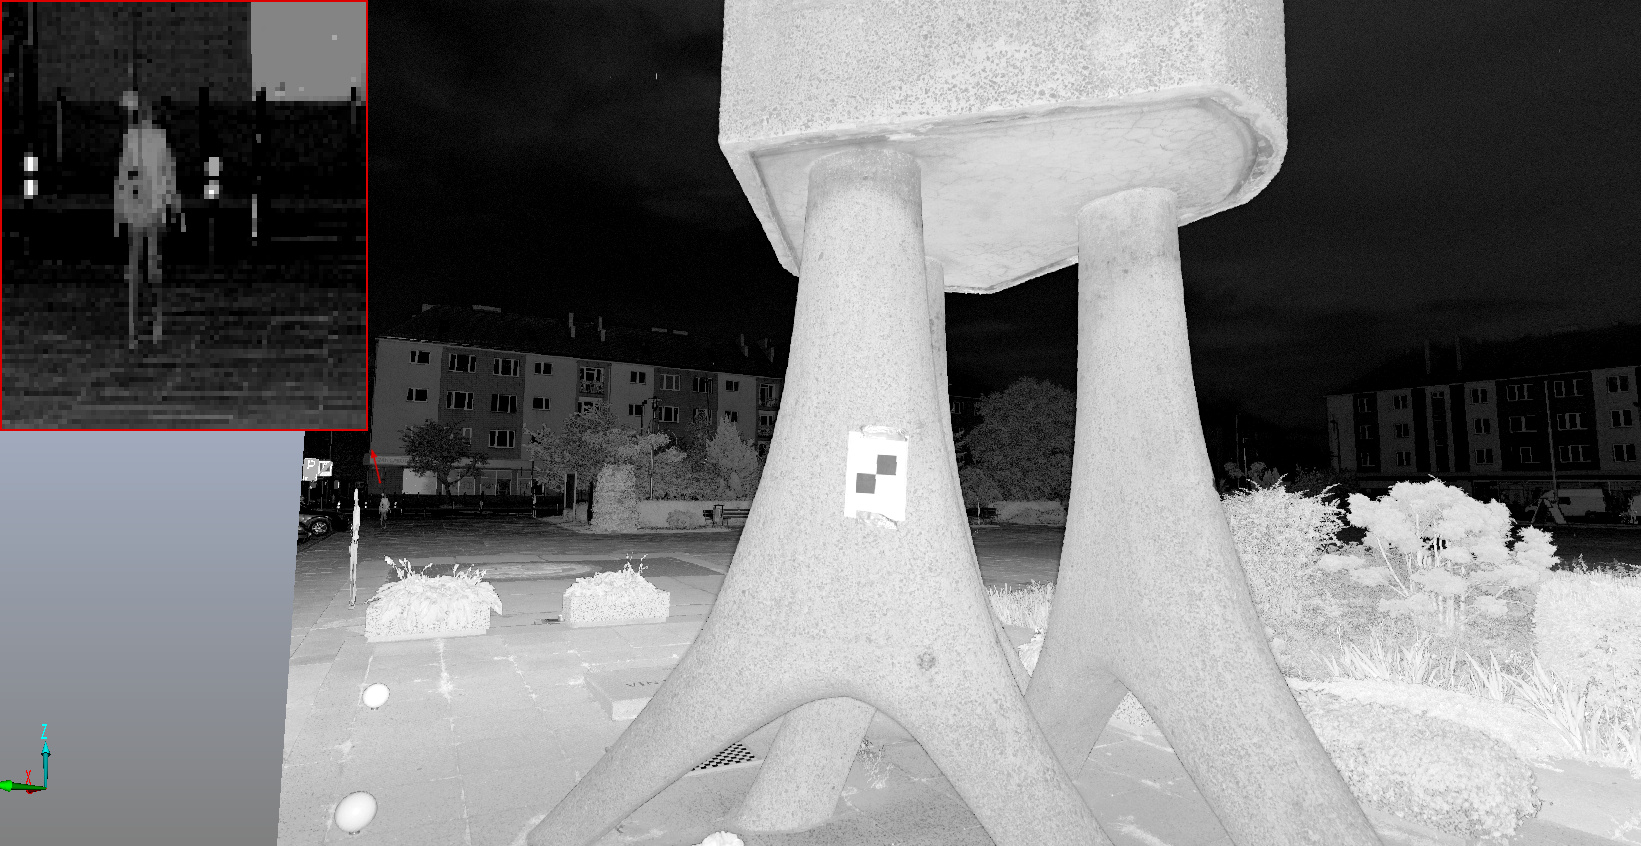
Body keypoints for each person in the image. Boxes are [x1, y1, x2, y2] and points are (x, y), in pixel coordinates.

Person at [113, 90, 182, 350]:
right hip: (141, 206)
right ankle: (140, 326)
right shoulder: (133, 137)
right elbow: (124, 174)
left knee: (148, 266)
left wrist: (172, 203)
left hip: (150, 207)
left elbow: (167, 173)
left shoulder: (154, 138)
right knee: (139, 267)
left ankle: (150, 323)